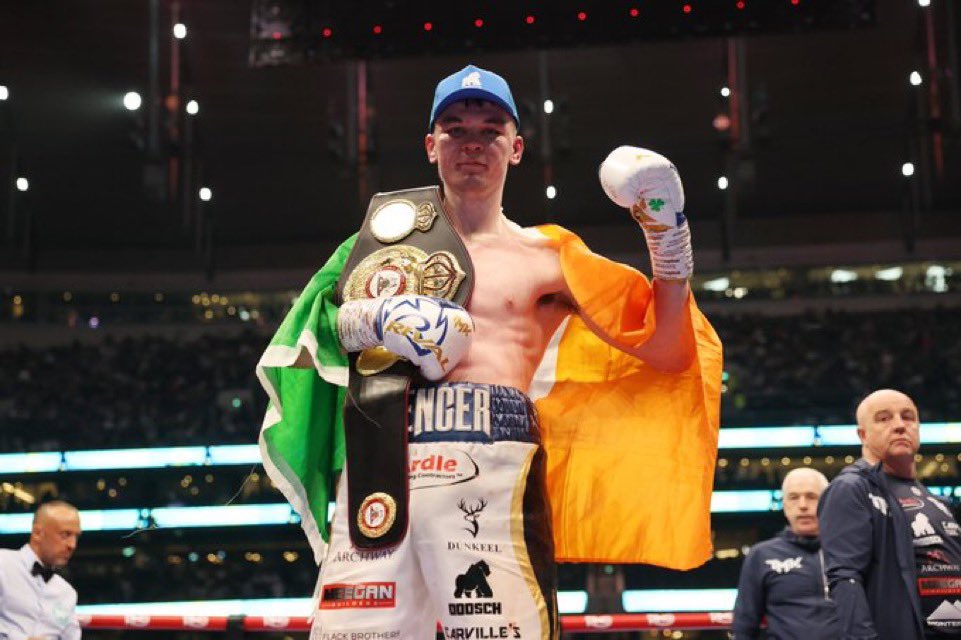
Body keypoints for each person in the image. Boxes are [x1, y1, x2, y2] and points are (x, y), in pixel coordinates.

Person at [256, 64, 722, 639]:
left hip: (494, 465)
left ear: (516, 147)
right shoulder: (374, 245)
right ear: (431, 145)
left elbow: (667, 349)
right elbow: (307, 333)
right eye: (454, 129)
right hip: (380, 461)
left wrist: (667, 239)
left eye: (489, 130)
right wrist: (366, 319)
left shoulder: (549, 258)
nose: (470, 143)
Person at [818, 388, 961, 639]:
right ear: (862, 434)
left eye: (908, 417)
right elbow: (845, 578)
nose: (899, 425)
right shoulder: (851, 488)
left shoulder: (937, 501)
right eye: (884, 418)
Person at [732, 467, 839, 639]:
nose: (803, 505)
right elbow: (744, 625)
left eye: (811, 497)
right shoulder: (761, 555)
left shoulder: (850, 550)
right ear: (784, 504)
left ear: (828, 501)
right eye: (793, 497)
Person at [0, 501, 82, 640]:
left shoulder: (67, 593)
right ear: (38, 533)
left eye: (76, 536)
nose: (72, 545)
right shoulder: (3, 564)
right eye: (65, 534)